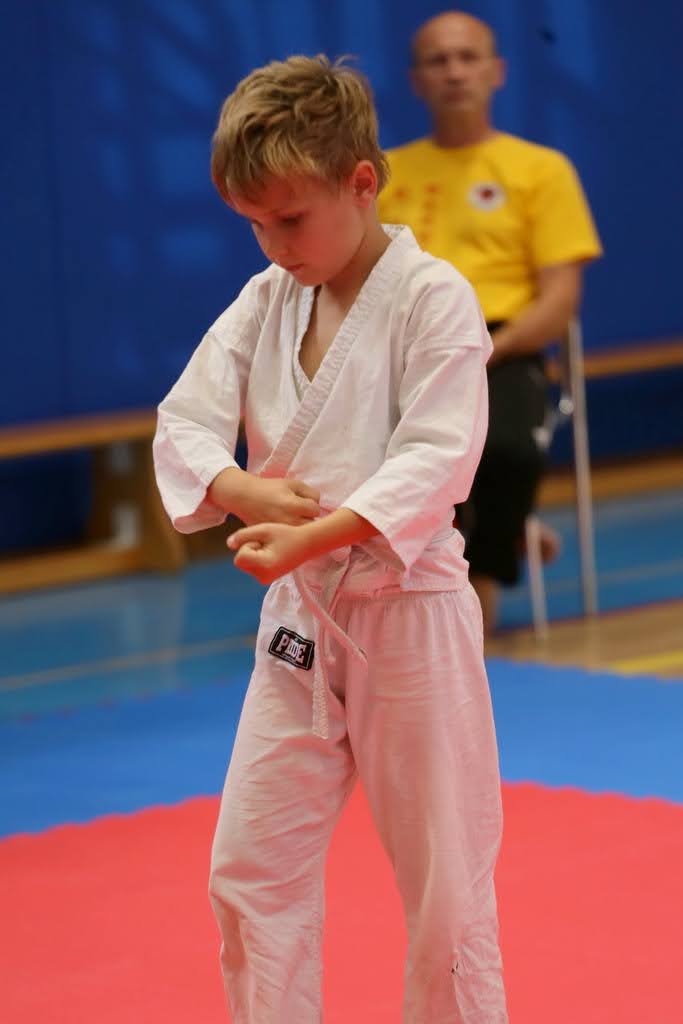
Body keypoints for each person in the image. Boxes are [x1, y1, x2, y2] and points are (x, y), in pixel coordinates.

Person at [153, 55, 508, 1023]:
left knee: (446, 894)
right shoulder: (265, 301)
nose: (273, 245)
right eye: (254, 224)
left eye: (289, 219)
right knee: (248, 872)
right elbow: (182, 421)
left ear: (361, 182)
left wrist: (312, 535)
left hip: (409, 615)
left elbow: (438, 455)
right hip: (299, 619)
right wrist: (240, 490)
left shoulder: (432, 298)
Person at [378, 11, 602, 633]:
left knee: (502, 449)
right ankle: (501, 526)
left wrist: (490, 349)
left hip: (501, 346)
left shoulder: (541, 170)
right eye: (438, 61)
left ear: (496, 71)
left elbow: (560, 297)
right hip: (404, 352)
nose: (454, 72)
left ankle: (480, 585)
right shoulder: (383, 175)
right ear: (416, 80)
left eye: (468, 57)